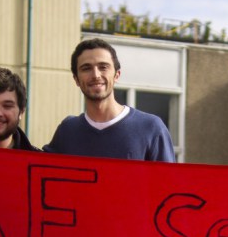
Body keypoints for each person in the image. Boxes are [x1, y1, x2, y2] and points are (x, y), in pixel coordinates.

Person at [44, 38, 175, 162]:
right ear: (76, 79)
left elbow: (169, 183)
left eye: (103, 67)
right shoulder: (67, 131)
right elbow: (36, 167)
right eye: (86, 68)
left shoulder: (151, 128)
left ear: (117, 75)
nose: (96, 75)